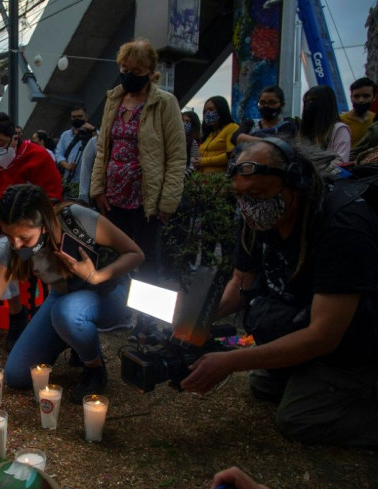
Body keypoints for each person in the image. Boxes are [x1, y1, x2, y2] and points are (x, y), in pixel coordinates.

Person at [181, 138, 378, 448]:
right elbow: (241, 285)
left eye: (257, 195)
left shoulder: (341, 227)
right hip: (300, 319)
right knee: (263, 384)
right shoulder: (257, 220)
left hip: (353, 342)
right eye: (241, 196)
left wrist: (231, 361)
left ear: (295, 184)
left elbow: (324, 335)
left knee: (298, 418)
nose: (247, 207)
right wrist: (191, 322)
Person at [0, 184, 144, 404]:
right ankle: (72, 337)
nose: (17, 245)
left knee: (67, 312)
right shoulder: (14, 248)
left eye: (25, 238)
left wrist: (95, 276)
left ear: (45, 224)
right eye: (9, 237)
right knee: (18, 375)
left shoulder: (76, 218)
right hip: (63, 298)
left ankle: (94, 367)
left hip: (109, 292)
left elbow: (135, 254)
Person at [0, 112, 63, 351]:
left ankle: (17, 313)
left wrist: (14, 223)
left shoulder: (37, 158)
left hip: (31, 235)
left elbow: (53, 201)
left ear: (14, 138)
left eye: (0, 144)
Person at [90, 37, 187, 290]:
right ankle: (115, 311)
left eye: (136, 71)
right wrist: (97, 189)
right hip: (113, 197)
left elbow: (177, 156)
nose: (129, 75)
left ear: (150, 73)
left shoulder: (165, 103)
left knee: (149, 262)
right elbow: (103, 149)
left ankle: (149, 323)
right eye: (125, 70)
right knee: (111, 255)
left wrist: (167, 202)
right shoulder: (114, 99)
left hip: (146, 199)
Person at [298, 85, 351, 163]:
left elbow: (340, 161)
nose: (309, 104)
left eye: (313, 100)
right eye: (307, 101)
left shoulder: (339, 129)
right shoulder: (305, 130)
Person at [196, 95, 239, 173]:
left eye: (211, 109)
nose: (208, 113)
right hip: (202, 180)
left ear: (221, 110)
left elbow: (231, 155)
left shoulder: (232, 128)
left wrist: (204, 161)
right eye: (205, 111)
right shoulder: (209, 133)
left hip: (219, 180)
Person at [55, 107, 97, 185]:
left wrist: (93, 131)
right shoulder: (65, 135)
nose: (77, 119)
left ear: (86, 117)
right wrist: (67, 165)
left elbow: (100, 149)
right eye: (74, 117)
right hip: (69, 178)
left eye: (80, 116)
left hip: (90, 179)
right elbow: (58, 153)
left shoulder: (95, 133)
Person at [339, 77, 377, 148]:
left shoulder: (375, 119)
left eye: (366, 96)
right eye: (356, 96)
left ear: (374, 97)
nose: (361, 100)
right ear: (351, 97)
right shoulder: (340, 121)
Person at [181, 110, 201, 176]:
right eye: (182, 121)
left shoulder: (193, 142)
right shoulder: (174, 140)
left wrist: (181, 177)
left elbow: (193, 165)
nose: (183, 123)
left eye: (187, 121)